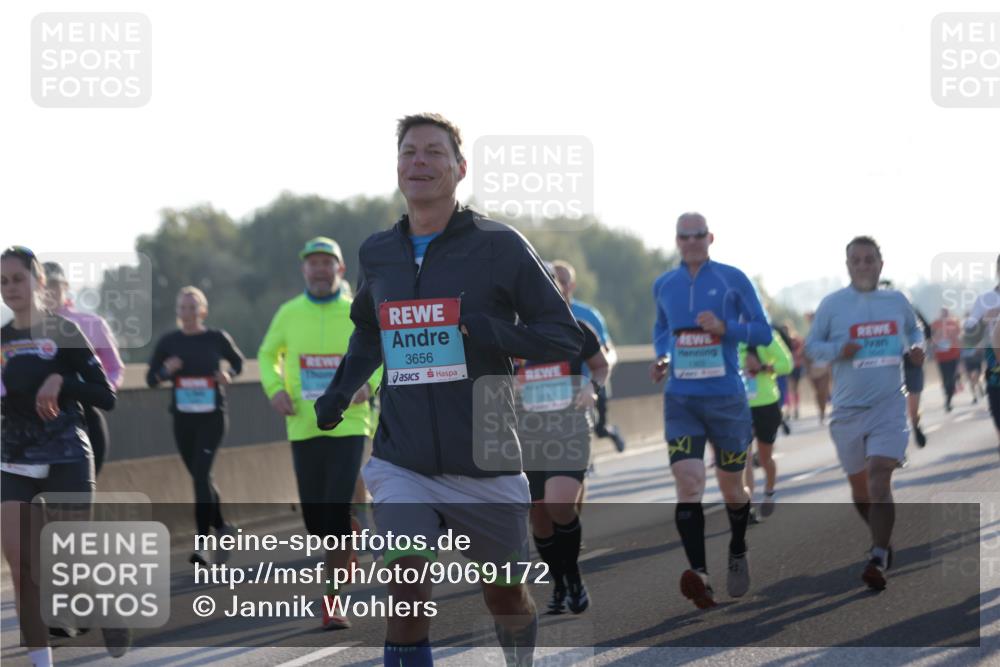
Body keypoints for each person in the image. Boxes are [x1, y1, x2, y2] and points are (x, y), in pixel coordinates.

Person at [315, 113, 583, 667]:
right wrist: (341, 391)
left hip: (484, 458)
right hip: (402, 458)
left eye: (434, 152)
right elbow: (370, 327)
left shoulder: (499, 245)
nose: (419, 162)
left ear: (460, 169)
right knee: (407, 589)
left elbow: (563, 336)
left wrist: (488, 330)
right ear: (397, 167)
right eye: (409, 152)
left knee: (504, 595)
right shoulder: (378, 252)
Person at [2, 246, 123, 665]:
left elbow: (105, 395)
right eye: (2, 283)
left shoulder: (66, 333)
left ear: (37, 280)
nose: (11, 289)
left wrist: (61, 379)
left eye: (18, 279)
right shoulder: (1, 340)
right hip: (13, 457)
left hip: (67, 451)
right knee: (23, 565)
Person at [258, 236, 382, 630]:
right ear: (304, 270)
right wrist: (275, 390)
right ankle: (347, 533)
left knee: (333, 510)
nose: (319, 269)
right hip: (303, 426)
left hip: (348, 424)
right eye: (312, 263)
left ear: (340, 269)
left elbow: (380, 351)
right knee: (316, 521)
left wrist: (368, 384)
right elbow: (266, 355)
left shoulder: (354, 310)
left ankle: (331, 602)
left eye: (327, 262)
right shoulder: (288, 313)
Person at [649, 212, 771, 610]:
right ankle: (700, 576)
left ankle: (738, 547)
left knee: (733, 489)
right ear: (677, 240)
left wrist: (725, 328)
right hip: (681, 399)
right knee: (687, 484)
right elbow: (663, 330)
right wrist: (663, 356)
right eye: (684, 236)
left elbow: (763, 332)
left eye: (698, 235)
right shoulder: (664, 284)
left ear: (710, 237)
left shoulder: (732, 278)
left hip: (726, 399)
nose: (691, 242)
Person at [805, 236, 924, 590]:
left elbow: (915, 329)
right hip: (846, 411)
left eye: (869, 259)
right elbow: (812, 347)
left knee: (879, 477)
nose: (863, 265)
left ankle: (877, 555)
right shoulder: (833, 305)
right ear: (847, 266)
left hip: (888, 404)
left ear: (880, 264)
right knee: (860, 490)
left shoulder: (896, 300)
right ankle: (882, 542)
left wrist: (918, 347)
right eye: (856, 260)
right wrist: (839, 349)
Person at [520, 263, 610, 616]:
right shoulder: (516, 332)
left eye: (550, 285)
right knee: (539, 517)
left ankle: (573, 577)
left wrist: (592, 387)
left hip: (569, 428)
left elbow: (601, 365)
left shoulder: (577, 329)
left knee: (559, 505)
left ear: (562, 290)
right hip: (528, 434)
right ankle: (561, 582)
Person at [146, 286, 244, 566]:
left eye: (192, 308)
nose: (187, 313)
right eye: (182, 308)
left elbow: (238, 364)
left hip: (212, 417)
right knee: (202, 478)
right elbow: (151, 379)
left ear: (203, 311)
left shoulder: (216, 338)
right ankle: (224, 526)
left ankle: (202, 543)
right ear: (177, 311)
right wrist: (167, 371)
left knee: (201, 476)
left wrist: (228, 373)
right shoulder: (169, 342)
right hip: (183, 419)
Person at [42, 262, 124, 476]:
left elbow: (114, 368)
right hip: (42, 419)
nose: (49, 292)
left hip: (87, 417)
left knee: (81, 498)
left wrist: (99, 389)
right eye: (44, 286)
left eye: (54, 285)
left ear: (65, 286)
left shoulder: (92, 323)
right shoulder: (25, 329)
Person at [550, 260, 626, 452]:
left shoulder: (588, 315)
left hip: (590, 384)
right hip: (559, 390)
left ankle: (609, 432)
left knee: (597, 428)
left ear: (572, 285)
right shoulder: (538, 315)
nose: (560, 286)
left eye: (564, 281)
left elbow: (609, 352)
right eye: (554, 280)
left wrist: (599, 375)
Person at [739, 327, 793, 520]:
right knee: (742, 459)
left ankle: (769, 492)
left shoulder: (766, 335)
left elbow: (786, 364)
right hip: (739, 405)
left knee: (764, 459)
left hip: (766, 404)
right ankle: (748, 505)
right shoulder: (729, 334)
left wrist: (762, 367)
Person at [803, 311, 832, 424]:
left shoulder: (827, 335)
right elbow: (805, 353)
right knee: (817, 393)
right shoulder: (809, 336)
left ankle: (822, 413)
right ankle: (821, 410)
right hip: (813, 369)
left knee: (822, 391)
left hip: (824, 368)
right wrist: (807, 368)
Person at [931, 308, 962, 412]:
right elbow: (931, 338)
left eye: (946, 312)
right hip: (941, 356)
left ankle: (949, 398)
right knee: (945, 378)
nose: (944, 314)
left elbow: (959, 337)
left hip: (953, 354)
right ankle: (947, 398)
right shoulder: (935, 323)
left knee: (951, 378)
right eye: (942, 312)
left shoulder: (954, 322)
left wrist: (959, 349)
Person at [784, 321, 805, 420]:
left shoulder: (796, 339)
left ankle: (796, 408)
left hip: (796, 366)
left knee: (795, 388)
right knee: (789, 388)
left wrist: (794, 355)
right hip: (788, 366)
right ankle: (789, 409)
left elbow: (802, 350)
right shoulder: (784, 340)